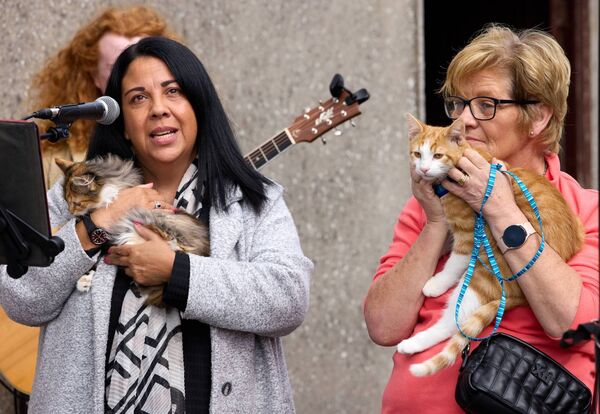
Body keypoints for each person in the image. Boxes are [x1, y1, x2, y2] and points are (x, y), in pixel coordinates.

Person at [0, 37, 313, 413]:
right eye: (138, 98)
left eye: (173, 92)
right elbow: (21, 299)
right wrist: (98, 224)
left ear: (199, 107)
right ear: (123, 126)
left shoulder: (252, 201)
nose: (158, 109)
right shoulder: (73, 193)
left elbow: (288, 300)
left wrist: (176, 271)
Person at [363, 24, 598, 413]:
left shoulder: (585, 208)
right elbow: (383, 326)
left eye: (486, 105)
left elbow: (571, 325)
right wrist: (437, 224)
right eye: (457, 103)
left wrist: (501, 209)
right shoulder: (431, 199)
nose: (465, 120)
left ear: (538, 117)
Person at [29, 6, 178, 189]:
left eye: (146, 64)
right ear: (94, 76)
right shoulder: (52, 160)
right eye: (117, 68)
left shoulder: (188, 141)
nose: (133, 78)